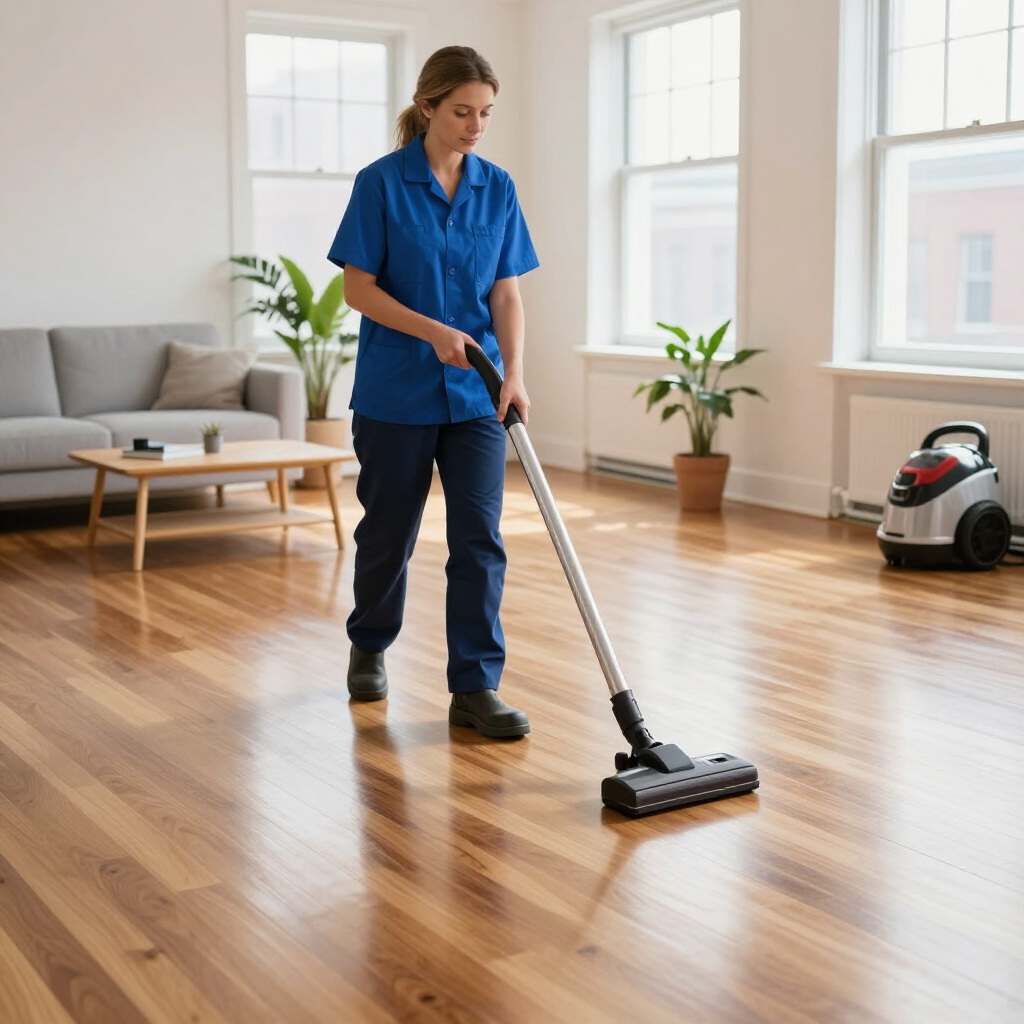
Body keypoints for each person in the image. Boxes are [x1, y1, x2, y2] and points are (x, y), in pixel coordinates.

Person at [326, 46, 539, 738]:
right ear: (427, 108)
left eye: (486, 113)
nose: (476, 125)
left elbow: (506, 293)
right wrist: (431, 331)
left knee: (479, 538)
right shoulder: (381, 184)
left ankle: (475, 686)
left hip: (477, 395)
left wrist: (514, 373)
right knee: (389, 534)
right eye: (462, 112)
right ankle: (370, 641)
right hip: (396, 393)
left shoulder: (497, 187)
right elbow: (358, 288)